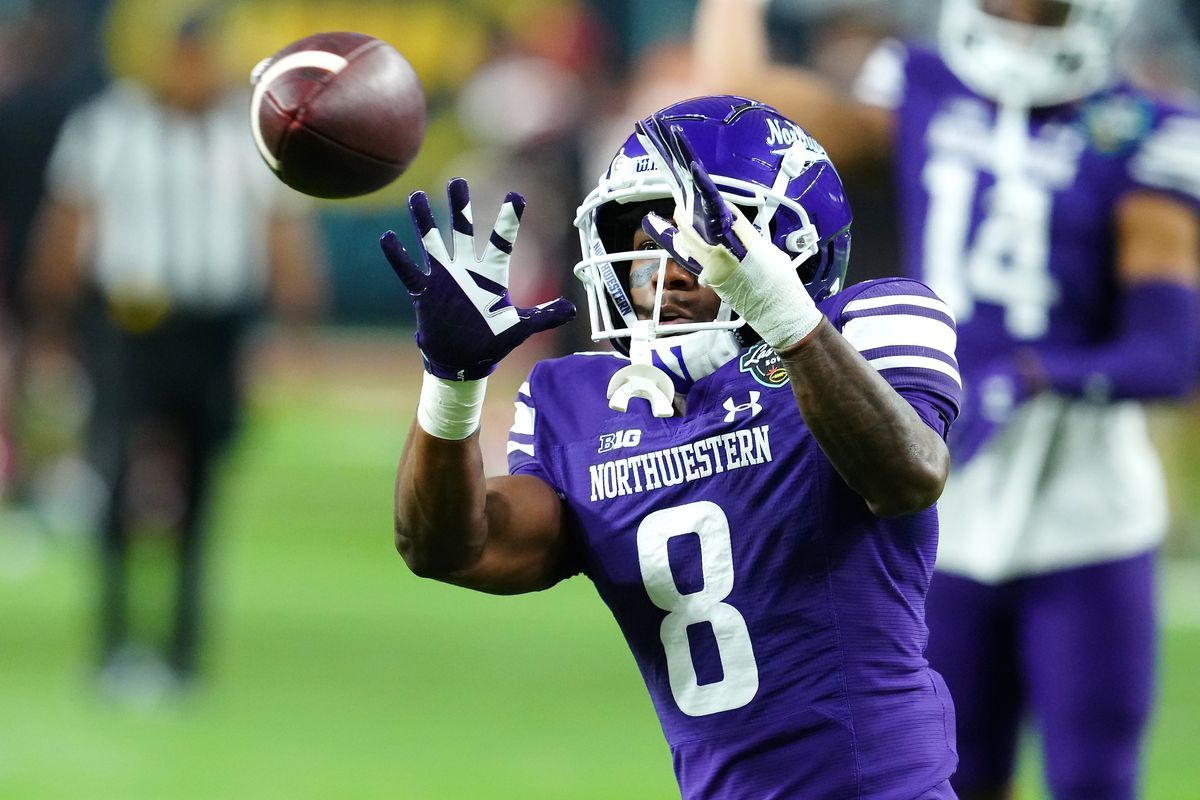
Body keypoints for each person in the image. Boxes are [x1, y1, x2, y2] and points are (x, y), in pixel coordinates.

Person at [381, 94, 963, 799]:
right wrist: (451, 387)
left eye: (696, 232)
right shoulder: (575, 401)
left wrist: (785, 318)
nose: (665, 263)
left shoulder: (875, 319)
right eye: (641, 233)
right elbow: (450, 548)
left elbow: (909, 475)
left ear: (790, 244)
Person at [691, 1, 1200, 798]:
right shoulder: (919, 82)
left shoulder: (1141, 129)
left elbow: (1168, 354)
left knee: (1097, 782)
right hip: (940, 505)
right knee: (950, 778)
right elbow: (735, 109)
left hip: (1086, 507)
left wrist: (1033, 374)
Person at [23, 11, 325, 698]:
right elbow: (68, 225)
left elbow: (282, 231)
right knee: (115, 475)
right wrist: (50, 322)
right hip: (129, 325)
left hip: (213, 328)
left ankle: (183, 651)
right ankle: (113, 642)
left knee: (202, 486)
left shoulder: (248, 137)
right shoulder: (109, 127)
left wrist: (298, 317)